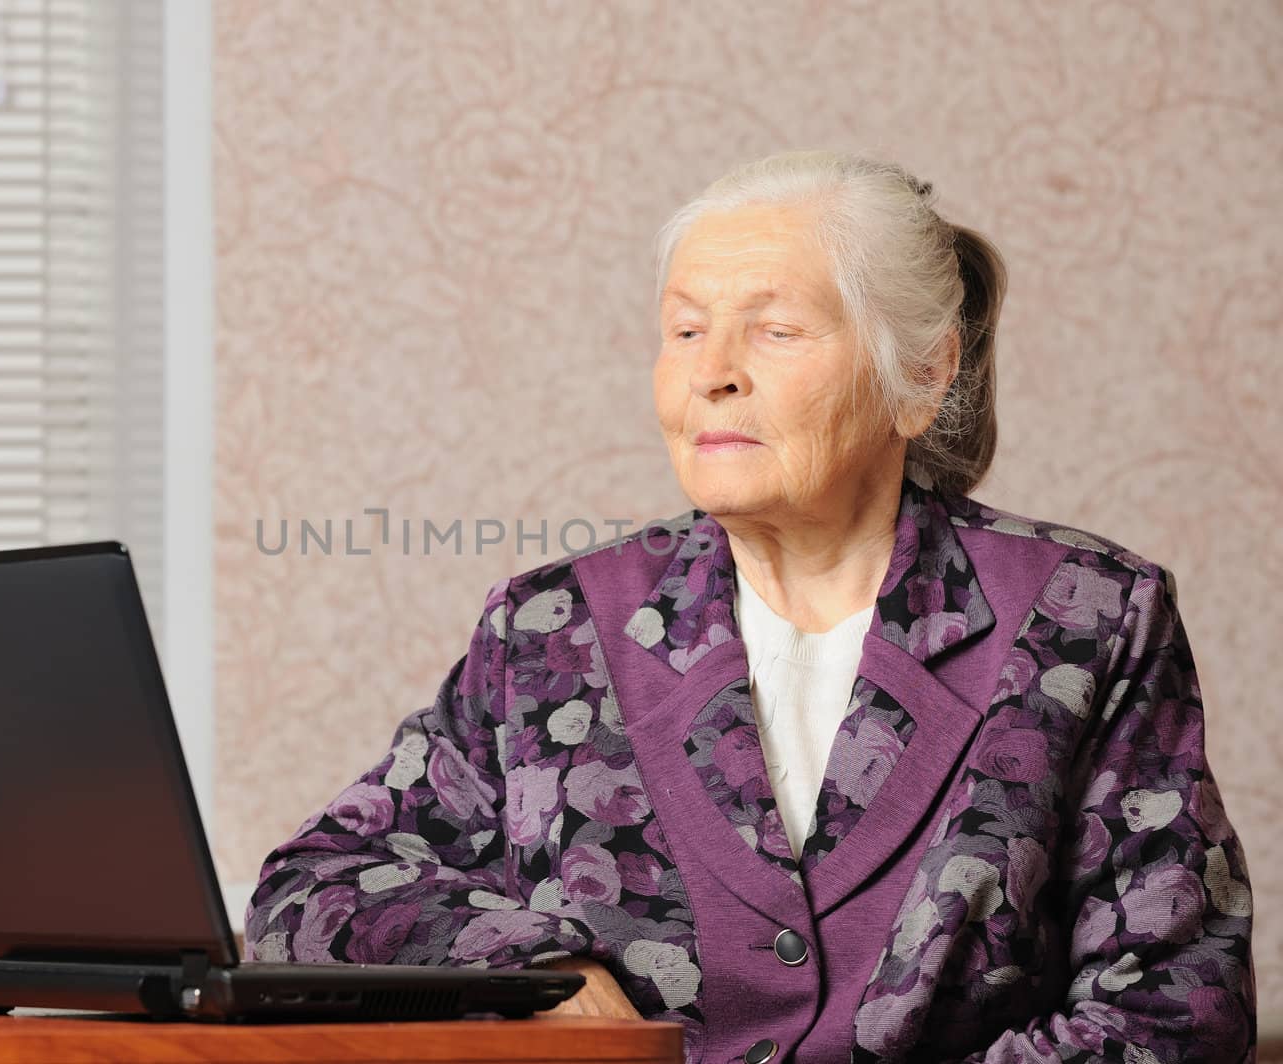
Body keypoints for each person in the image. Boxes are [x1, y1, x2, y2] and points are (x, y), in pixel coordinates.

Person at [243, 150, 1257, 1063]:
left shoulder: (1086, 616)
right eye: (684, 329)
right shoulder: (551, 631)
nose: (711, 372)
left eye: (773, 330)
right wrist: (535, 973)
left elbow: (1174, 1007)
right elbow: (313, 888)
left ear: (923, 374)